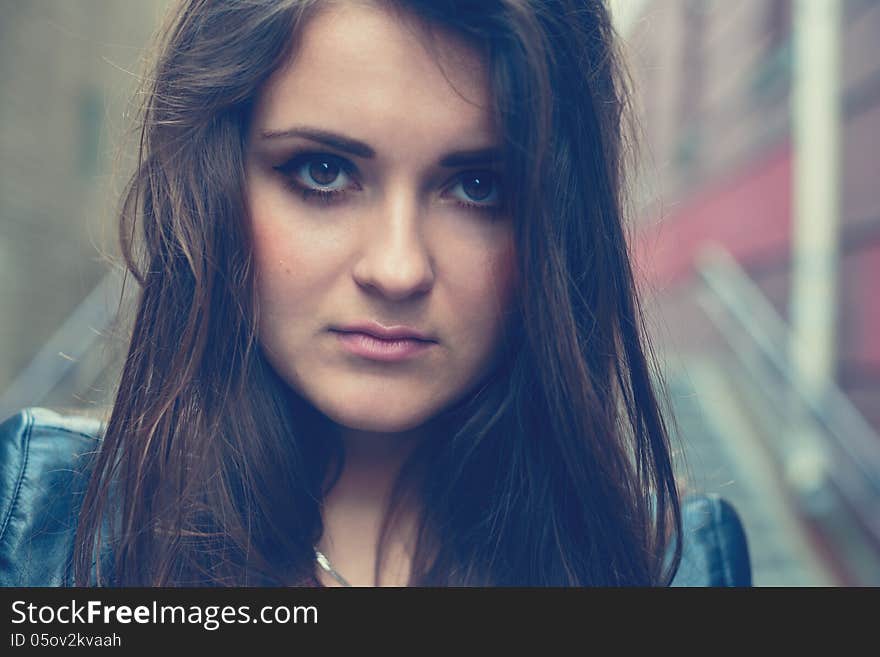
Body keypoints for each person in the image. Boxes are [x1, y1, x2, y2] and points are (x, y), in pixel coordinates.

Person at [1, 0, 687, 587]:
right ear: (217, 188)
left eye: (479, 187)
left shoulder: (673, 568)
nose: (397, 268)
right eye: (323, 172)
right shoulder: (36, 527)